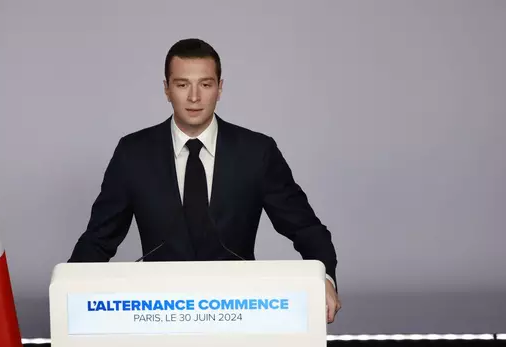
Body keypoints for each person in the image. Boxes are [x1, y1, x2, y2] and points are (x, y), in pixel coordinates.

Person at [68, 38, 341, 323]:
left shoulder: (256, 152)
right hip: (155, 313)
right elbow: (99, 239)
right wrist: (69, 288)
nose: (194, 97)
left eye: (206, 84)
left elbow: (305, 228)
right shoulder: (132, 153)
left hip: (241, 312)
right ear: (167, 89)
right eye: (183, 84)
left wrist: (324, 279)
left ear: (220, 88)